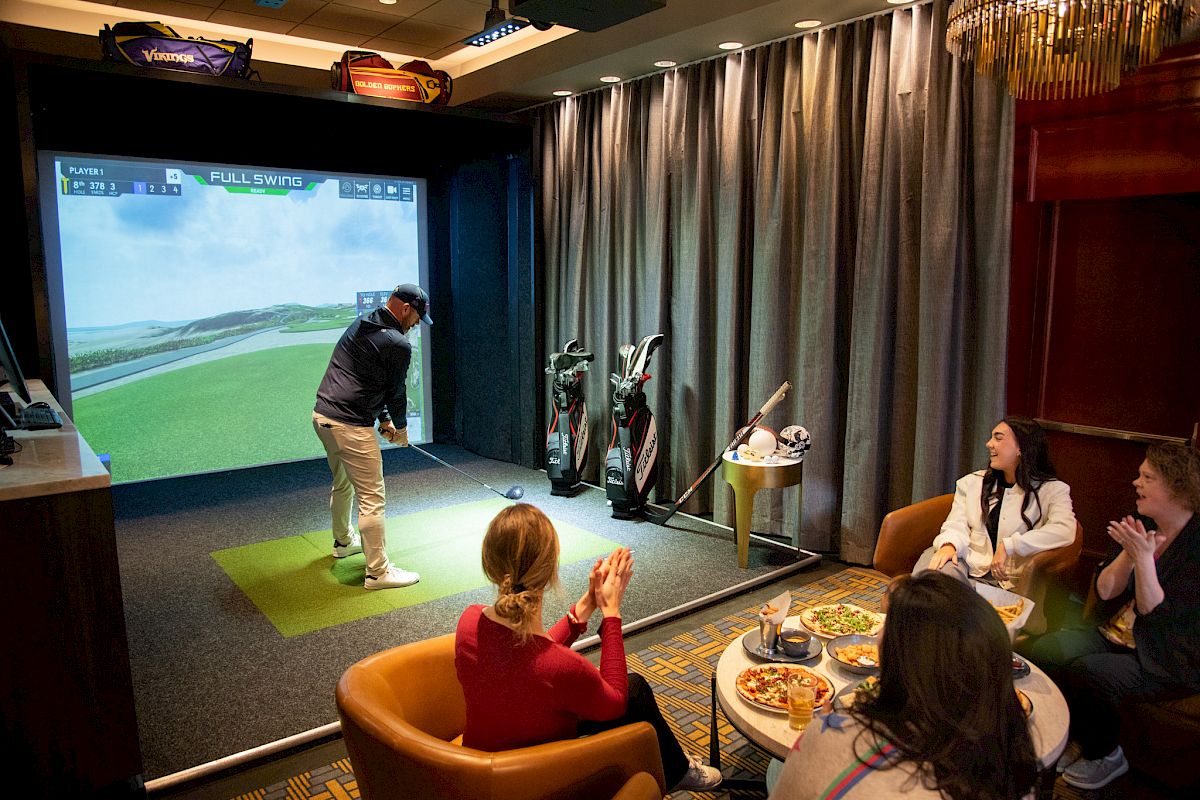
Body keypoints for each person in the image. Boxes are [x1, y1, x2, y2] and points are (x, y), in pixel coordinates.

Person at [454, 503, 722, 791]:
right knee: (633, 691)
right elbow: (615, 702)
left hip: (481, 771)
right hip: (536, 781)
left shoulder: (469, 622)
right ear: (550, 570)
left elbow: (528, 660)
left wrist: (589, 602)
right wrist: (611, 613)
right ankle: (676, 771)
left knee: (636, 690)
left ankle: (676, 768)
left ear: (489, 562)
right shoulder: (562, 668)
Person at [769, 571, 1039, 800]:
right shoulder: (1011, 753)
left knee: (777, 770)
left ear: (902, 660)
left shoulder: (835, 737)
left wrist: (826, 726)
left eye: (888, 624)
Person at [1027, 442, 1200, 790]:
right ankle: (1072, 736)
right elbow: (1105, 590)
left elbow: (1158, 615)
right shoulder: (1143, 521)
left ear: (1177, 489)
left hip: (1164, 655)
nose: (1136, 482)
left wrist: (1145, 560)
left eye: (1147, 477)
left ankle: (1105, 755)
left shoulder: (1194, 548)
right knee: (1040, 652)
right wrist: (1127, 554)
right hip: (1112, 634)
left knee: (1088, 673)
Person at [312, 283, 432, 590]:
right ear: (406, 308)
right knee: (372, 498)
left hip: (323, 416)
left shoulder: (365, 321)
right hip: (349, 424)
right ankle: (378, 573)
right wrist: (402, 431)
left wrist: (384, 419)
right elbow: (396, 391)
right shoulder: (397, 343)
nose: (417, 323)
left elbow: (368, 380)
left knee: (342, 483)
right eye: (417, 317)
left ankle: (342, 543)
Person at [918, 416, 1076, 589]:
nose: (989, 444)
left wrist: (1011, 545)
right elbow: (957, 523)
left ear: (1021, 448)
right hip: (969, 565)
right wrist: (949, 544)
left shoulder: (1053, 490)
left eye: (998, 438)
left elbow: (1064, 529)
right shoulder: (972, 483)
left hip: (1010, 580)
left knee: (946, 597)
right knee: (933, 570)